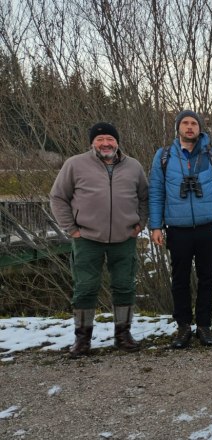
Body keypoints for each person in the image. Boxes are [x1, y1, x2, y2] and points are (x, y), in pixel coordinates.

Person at [50, 122, 149, 358]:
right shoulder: (74, 164)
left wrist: (140, 224)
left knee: (125, 286)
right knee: (85, 288)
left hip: (124, 237)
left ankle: (123, 335)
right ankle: (82, 339)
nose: (106, 143)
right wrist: (71, 229)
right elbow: (57, 197)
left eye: (110, 139)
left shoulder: (133, 166)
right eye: (100, 139)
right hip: (87, 238)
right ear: (92, 143)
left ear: (117, 142)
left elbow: (145, 197)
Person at [148, 110, 212, 349]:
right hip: (178, 229)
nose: (189, 127)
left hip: (208, 228)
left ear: (200, 128)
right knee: (180, 280)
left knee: (207, 278)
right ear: (178, 128)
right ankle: (183, 326)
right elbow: (156, 191)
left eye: (194, 123)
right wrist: (156, 225)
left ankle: (204, 325)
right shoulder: (164, 156)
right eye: (185, 123)